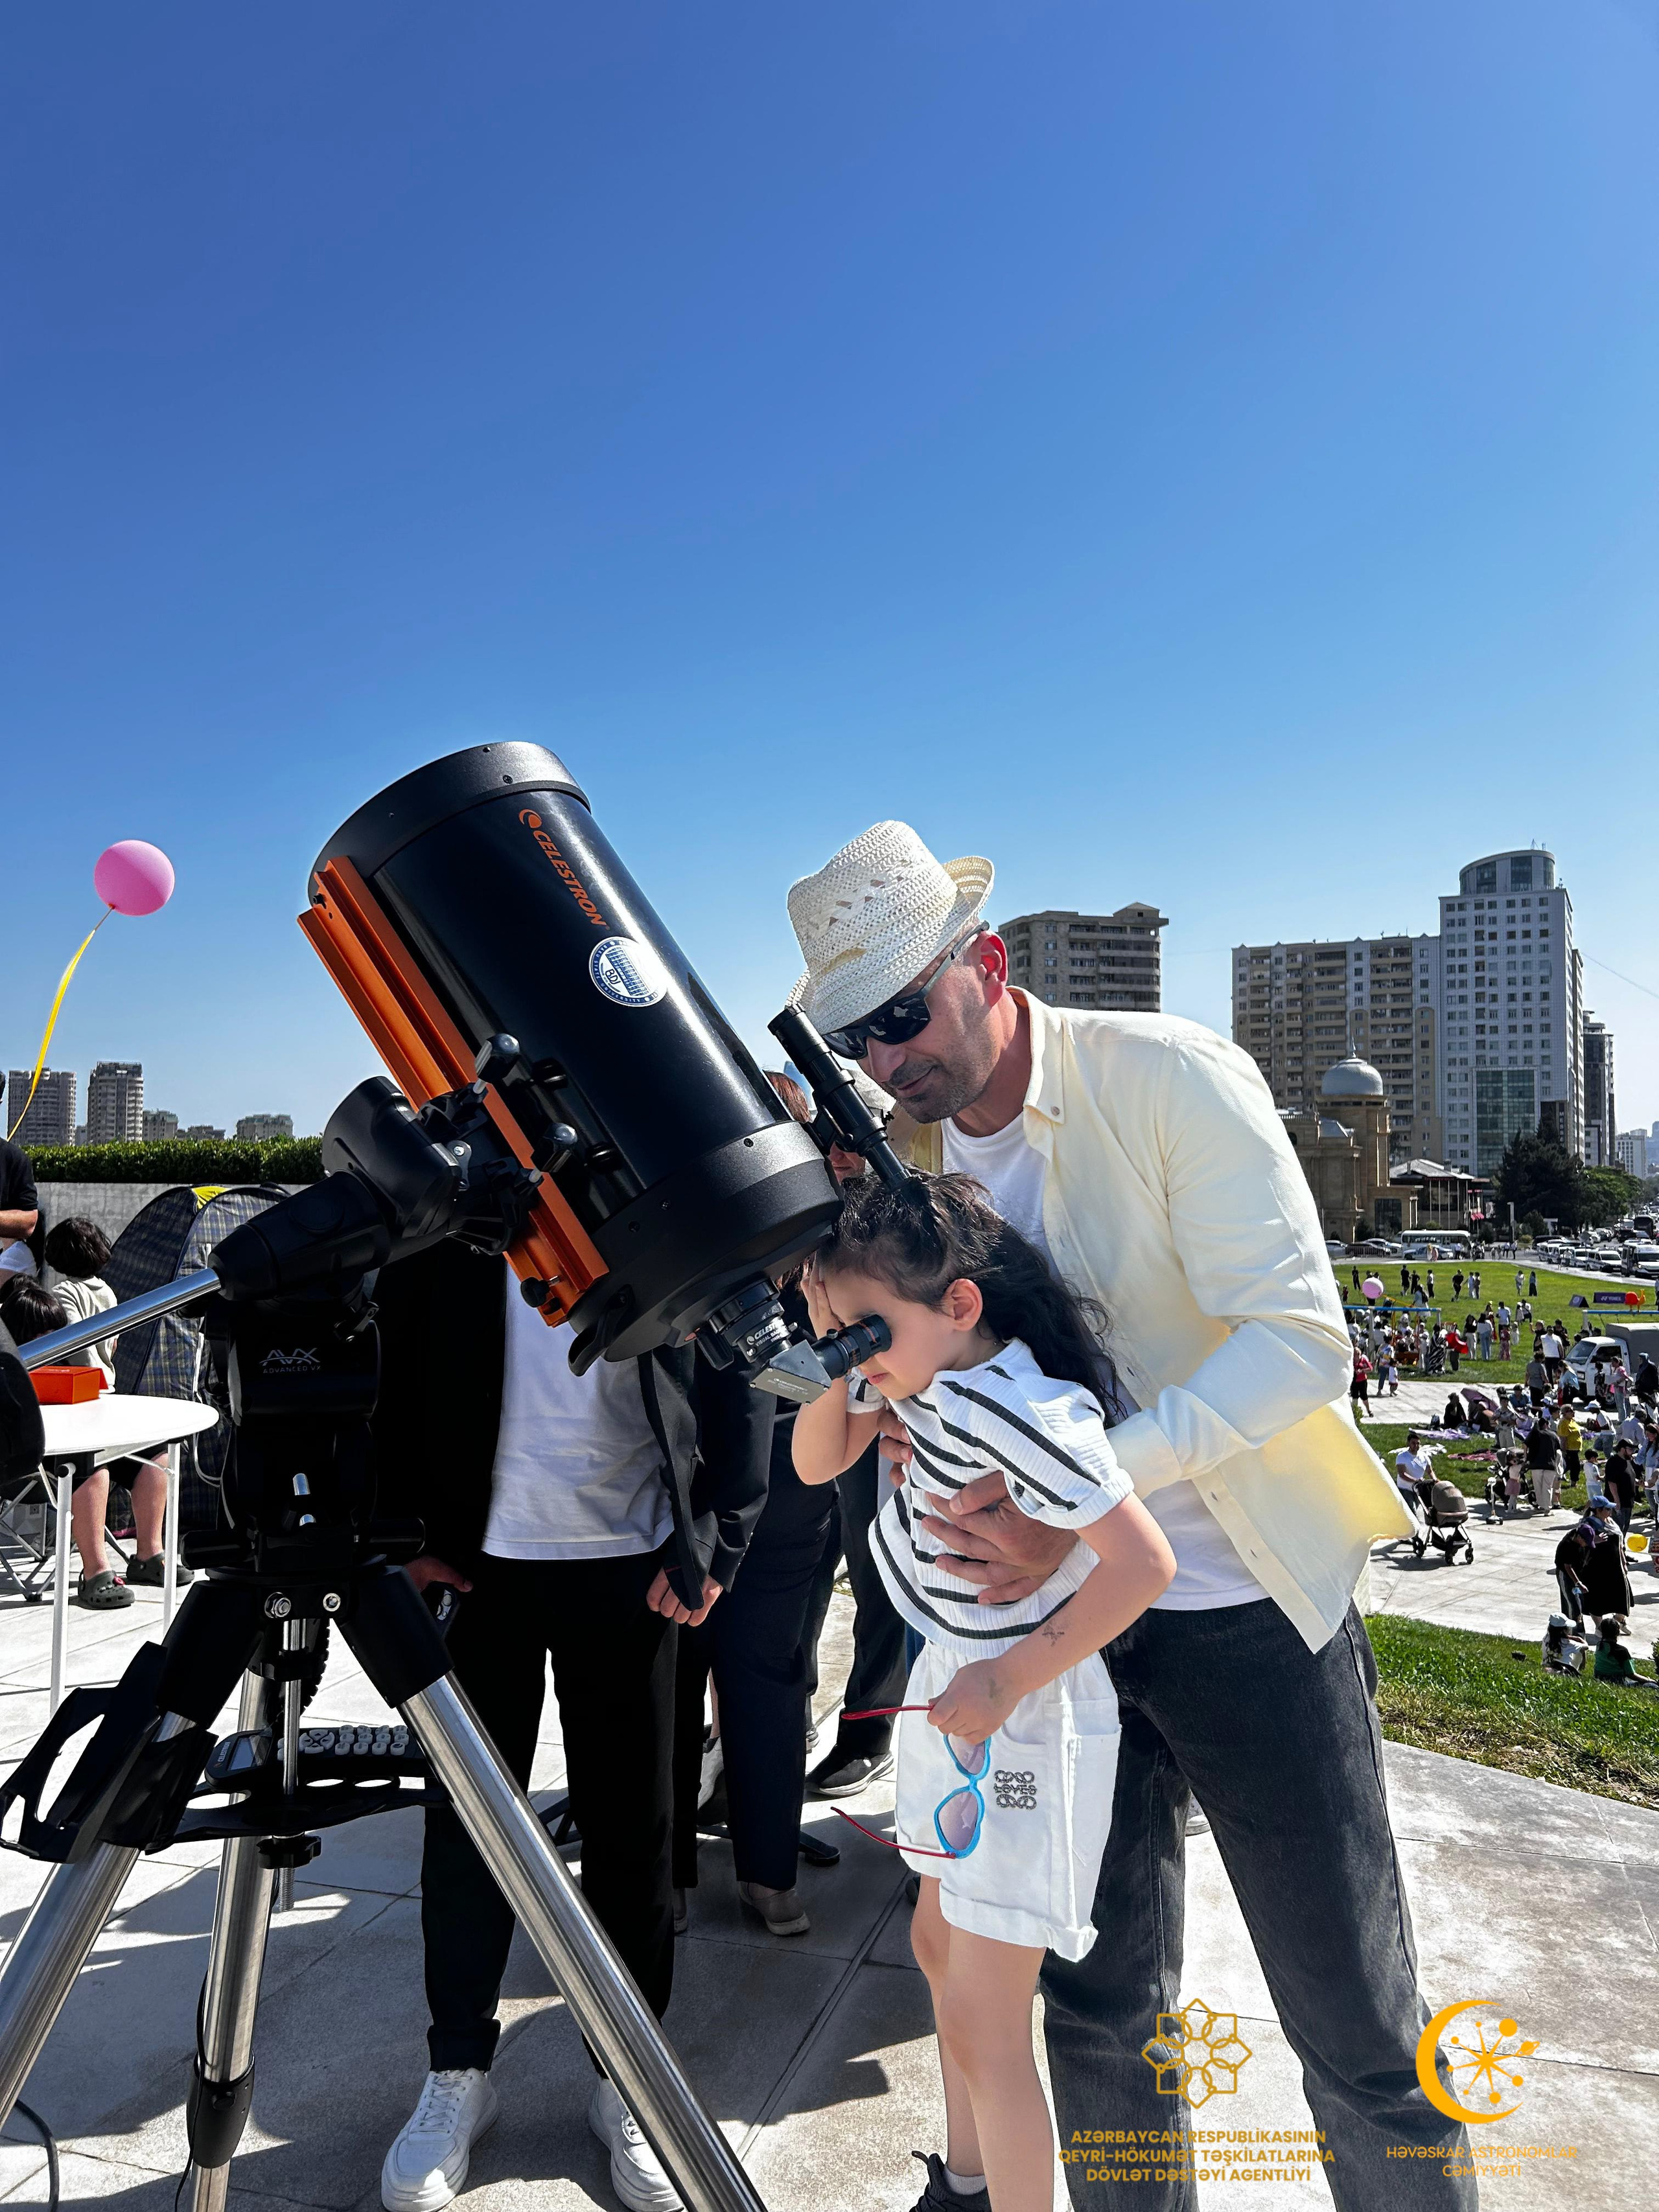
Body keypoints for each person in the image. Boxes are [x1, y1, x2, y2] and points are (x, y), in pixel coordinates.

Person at [783, 820, 1468, 2208]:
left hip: (1244, 1615)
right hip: (1066, 1651)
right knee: (1100, 2016)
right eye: (857, 1034)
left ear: (983, 961)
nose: (887, 1056)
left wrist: (1066, 1504)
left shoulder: (1163, 1074)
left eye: (903, 1012)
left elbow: (1296, 1343)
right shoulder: (905, 1178)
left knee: (1353, 2036)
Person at [792, 1171, 1176, 2212]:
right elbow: (815, 1458)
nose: (850, 1347)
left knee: (985, 2018)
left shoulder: (1030, 1409)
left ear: (960, 1305)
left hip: (1025, 1707)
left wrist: (1009, 1678)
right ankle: (964, 2181)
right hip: (957, 1678)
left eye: (862, 1326)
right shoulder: (908, 1376)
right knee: (932, 1945)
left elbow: (1144, 1566)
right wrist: (845, 1365)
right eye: (831, 1325)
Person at [370, 1239, 771, 2212]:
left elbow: (738, 1360)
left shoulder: (646, 1191)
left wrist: (719, 1538)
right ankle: (458, 2069)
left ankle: (629, 2077)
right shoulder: (455, 1209)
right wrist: (403, 1538)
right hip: (478, 1567)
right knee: (467, 1831)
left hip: (634, 1567)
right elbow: (392, 1363)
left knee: (636, 1840)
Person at [42, 1217, 194, 1592]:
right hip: (109, 1391)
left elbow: (74, 1344)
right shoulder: (108, 1292)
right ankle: (149, 1553)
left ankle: (95, 1571)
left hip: (80, 1397)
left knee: (91, 1462)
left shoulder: (64, 1294)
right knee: (155, 1455)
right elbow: (111, 1344)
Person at [0, 1273, 144, 1609]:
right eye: (41, 1335)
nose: (52, 1340)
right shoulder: (7, 1376)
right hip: (28, 1468)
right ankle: (96, 1573)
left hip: (73, 1451)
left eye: (56, 1332)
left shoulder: (66, 1366)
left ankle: (149, 1555)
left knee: (151, 1455)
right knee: (94, 1469)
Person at [1554, 1502, 1631, 1625]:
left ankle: (1579, 1629)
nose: (1589, 1546)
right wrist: (1578, 1583)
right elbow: (1568, 1567)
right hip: (1568, 1577)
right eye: (1607, 1509)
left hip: (1579, 1575)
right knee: (1572, 1603)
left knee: (1578, 1603)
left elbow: (1619, 1543)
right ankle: (1572, 1630)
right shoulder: (1568, 1545)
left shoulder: (1582, 1538)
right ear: (1580, 1538)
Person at [1592, 1614, 1655, 1688]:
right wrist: (1649, 1680)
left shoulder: (1599, 1646)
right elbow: (1631, 1675)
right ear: (1618, 1632)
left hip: (1599, 1678)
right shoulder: (1621, 1651)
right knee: (1651, 1685)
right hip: (1617, 1681)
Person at [1601, 1437, 1640, 1535]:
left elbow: (1628, 1478)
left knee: (1625, 1528)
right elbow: (1612, 1483)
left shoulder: (1628, 1461)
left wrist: (1639, 1482)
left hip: (1628, 1502)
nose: (1632, 1452)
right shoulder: (1613, 1462)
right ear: (1623, 1449)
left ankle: (1621, 1548)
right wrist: (1616, 1500)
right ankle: (1615, 1548)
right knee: (1617, 1529)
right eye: (1631, 1449)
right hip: (1618, 1503)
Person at [1524, 1412, 1561, 1514]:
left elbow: (1525, 1445)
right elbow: (1559, 1450)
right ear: (1546, 1424)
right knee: (1547, 1487)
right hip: (1550, 1464)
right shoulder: (1553, 1436)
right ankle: (1547, 1508)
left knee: (1538, 1486)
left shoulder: (1535, 1435)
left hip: (1536, 1464)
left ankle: (1541, 1505)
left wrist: (1526, 1458)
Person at [1558, 1404, 1583, 1495]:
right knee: (1570, 1466)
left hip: (1575, 1449)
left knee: (1571, 1466)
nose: (1573, 1413)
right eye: (1571, 1411)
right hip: (1569, 1449)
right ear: (1565, 1413)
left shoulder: (1572, 1421)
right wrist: (1564, 1451)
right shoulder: (1563, 1423)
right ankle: (1554, 1479)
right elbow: (1563, 1438)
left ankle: (1572, 1483)